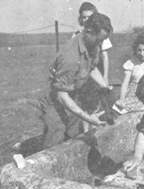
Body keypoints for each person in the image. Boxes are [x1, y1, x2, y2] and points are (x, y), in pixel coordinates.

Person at [39, 12, 113, 149]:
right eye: (99, 40)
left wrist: (104, 86)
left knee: (74, 136)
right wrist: (87, 118)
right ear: (89, 31)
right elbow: (62, 96)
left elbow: (91, 68)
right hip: (55, 101)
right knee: (56, 138)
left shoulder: (92, 45)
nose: (100, 44)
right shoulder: (70, 57)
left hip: (73, 94)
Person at [74, 2, 113, 85]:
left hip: (97, 67)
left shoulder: (101, 33)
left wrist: (105, 76)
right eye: (84, 17)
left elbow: (105, 56)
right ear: (80, 19)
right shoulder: (77, 34)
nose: (87, 20)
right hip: (82, 68)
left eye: (90, 17)